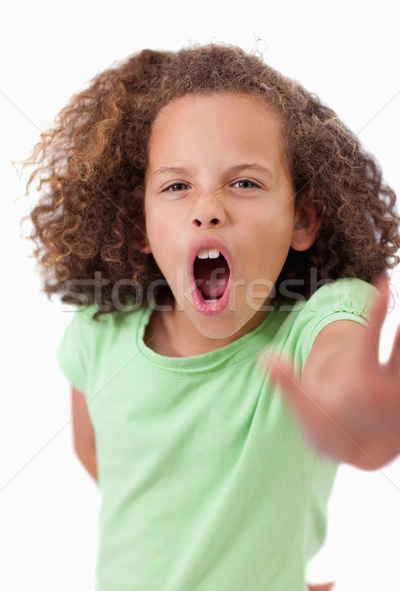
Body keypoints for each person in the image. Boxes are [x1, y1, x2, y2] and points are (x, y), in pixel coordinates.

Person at [26, 44, 400, 591]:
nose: (208, 207)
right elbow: (96, 451)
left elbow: (338, 363)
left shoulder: (318, 321)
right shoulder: (96, 338)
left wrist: (355, 414)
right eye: (177, 186)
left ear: (303, 219)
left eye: (244, 183)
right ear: (141, 226)